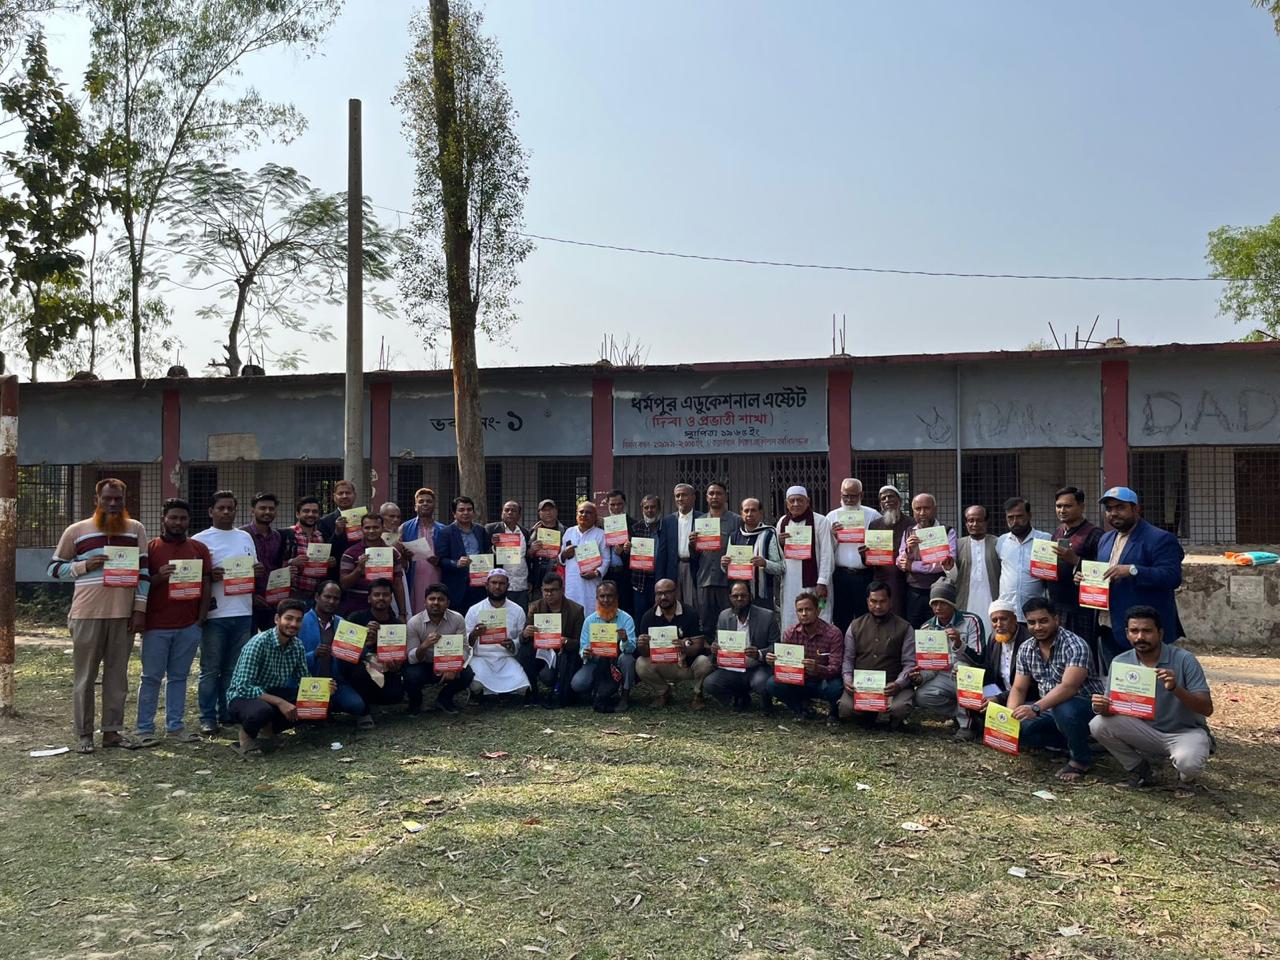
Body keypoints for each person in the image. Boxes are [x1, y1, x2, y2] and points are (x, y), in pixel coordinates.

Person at [49, 478, 151, 753]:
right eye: (107, 498)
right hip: (86, 614)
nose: (113, 504)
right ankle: (84, 734)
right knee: (85, 677)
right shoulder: (76, 531)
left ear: (125, 500)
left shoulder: (135, 529)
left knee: (117, 677)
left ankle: (112, 732)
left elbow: (144, 573)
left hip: (122, 616)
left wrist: (139, 610)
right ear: (97, 500)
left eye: (118, 499)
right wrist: (84, 566)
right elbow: (53, 569)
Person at [1089, 606, 1214, 793]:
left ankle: (1186, 780)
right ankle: (1140, 769)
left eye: (1147, 631)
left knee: (1188, 763)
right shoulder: (1121, 662)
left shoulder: (1184, 660)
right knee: (1098, 724)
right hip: (1145, 731)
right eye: (1134, 631)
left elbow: (1206, 709)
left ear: (1160, 633)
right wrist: (1102, 707)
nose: (1140, 637)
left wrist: (1175, 688)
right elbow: (1113, 709)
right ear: (1127, 633)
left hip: (1185, 732)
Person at [136, 498, 211, 744]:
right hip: (156, 626)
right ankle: (144, 729)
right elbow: (139, 584)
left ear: (189, 521)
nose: (178, 522)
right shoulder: (150, 549)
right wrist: (158, 577)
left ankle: (175, 727)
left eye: (183, 518)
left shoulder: (199, 549)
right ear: (163, 519)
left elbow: (207, 584)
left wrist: (200, 619)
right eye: (173, 518)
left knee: (179, 678)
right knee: (151, 678)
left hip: (189, 626)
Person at [1087, 486, 1185, 671]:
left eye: (1120, 507)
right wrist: (1086, 579)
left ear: (1136, 509)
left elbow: (1172, 577)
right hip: (1108, 625)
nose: (1113, 513)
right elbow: (1104, 574)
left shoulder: (1160, 538)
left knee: (1150, 682)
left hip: (1144, 631)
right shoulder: (1106, 539)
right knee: (1117, 681)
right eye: (1109, 508)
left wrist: (1133, 570)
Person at [1006, 598, 1104, 781]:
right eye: (1032, 622)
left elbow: (1069, 687)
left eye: (1043, 621)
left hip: (1086, 706)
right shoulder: (1026, 648)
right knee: (1019, 729)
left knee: (1064, 709)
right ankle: (1069, 742)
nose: (1037, 627)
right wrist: (1010, 717)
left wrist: (1035, 708)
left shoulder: (1075, 645)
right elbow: (1018, 688)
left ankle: (1080, 760)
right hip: (1048, 708)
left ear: (1056, 619)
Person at [193, 491, 261, 737]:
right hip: (215, 614)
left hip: (243, 611)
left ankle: (227, 712)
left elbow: (253, 566)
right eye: (221, 508)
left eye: (230, 508)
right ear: (211, 511)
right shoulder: (199, 540)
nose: (226, 512)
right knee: (211, 669)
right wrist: (210, 575)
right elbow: (192, 577)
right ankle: (207, 717)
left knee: (233, 668)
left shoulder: (244, 537)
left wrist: (257, 570)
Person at [226, 599, 316, 756]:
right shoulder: (258, 643)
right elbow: (243, 687)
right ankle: (245, 737)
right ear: (277, 619)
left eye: (298, 620)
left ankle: (267, 731)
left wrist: (322, 689)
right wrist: (280, 702)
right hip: (243, 697)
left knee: (312, 703)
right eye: (289, 618)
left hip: (272, 693)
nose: (293, 624)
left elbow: (304, 679)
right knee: (261, 711)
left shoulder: (297, 645)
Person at [911, 581, 985, 741]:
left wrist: (959, 643)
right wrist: (920, 677)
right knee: (921, 695)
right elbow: (931, 667)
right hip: (943, 676)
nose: (938, 607)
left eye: (943, 603)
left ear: (952, 603)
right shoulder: (927, 628)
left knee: (962, 669)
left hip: (970, 676)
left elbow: (979, 659)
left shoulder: (971, 621)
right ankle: (964, 715)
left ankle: (966, 726)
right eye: (934, 603)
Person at [836, 580, 916, 729]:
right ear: (867, 601)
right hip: (862, 687)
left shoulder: (905, 628)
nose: (878, 606)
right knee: (845, 708)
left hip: (891, 686)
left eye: (882, 601)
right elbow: (848, 659)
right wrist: (847, 680)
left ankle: (889, 717)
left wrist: (898, 684)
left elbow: (909, 663)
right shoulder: (855, 626)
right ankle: (868, 714)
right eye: (873, 601)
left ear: (890, 602)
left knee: (900, 708)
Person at [763, 592, 843, 720]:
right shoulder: (790, 633)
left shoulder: (833, 633)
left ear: (818, 611)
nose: (804, 614)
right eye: (800, 610)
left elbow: (836, 668)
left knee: (836, 687)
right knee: (772, 683)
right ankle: (801, 709)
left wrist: (818, 668)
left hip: (822, 681)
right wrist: (775, 663)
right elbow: (785, 667)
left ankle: (834, 713)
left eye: (808, 609)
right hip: (799, 681)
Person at [635, 577, 712, 708]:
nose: (663, 597)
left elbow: (698, 645)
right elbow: (645, 653)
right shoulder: (648, 617)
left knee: (705, 662)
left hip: (687, 664)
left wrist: (684, 647)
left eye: (667, 593)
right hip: (663, 664)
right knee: (641, 663)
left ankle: (698, 694)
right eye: (659, 593)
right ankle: (663, 692)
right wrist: (642, 646)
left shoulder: (690, 613)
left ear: (675, 593)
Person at [704, 580, 780, 712]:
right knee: (710, 683)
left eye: (743, 595)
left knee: (761, 683)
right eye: (735, 596)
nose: (739, 599)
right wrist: (715, 649)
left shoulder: (767, 616)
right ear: (730, 598)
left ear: (750, 596)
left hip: (757, 667)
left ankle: (766, 700)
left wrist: (759, 653)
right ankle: (740, 696)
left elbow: (777, 646)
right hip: (732, 667)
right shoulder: (724, 616)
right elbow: (718, 642)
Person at [298, 580, 368, 723]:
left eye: (336, 598)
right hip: (307, 684)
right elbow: (291, 661)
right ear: (317, 597)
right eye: (327, 597)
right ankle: (323, 708)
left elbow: (356, 655)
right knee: (309, 719)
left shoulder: (342, 623)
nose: (331, 601)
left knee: (357, 706)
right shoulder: (300, 622)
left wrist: (366, 643)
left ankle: (331, 705)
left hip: (336, 683)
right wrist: (313, 655)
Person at [344, 580, 411, 727]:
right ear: (369, 598)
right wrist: (366, 642)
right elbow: (346, 652)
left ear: (391, 598)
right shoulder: (355, 619)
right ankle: (363, 711)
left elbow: (399, 659)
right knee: (360, 672)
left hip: (384, 670)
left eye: (385, 595)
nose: (381, 598)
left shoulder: (397, 625)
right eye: (377, 595)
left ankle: (367, 700)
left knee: (395, 696)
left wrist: (396, 665)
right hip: (359, 668)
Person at [1050, 486, 1103, 661]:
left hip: (1081, 609)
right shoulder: (1058, 532)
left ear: (1081, 507)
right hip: (1057, 604)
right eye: (1058, 506)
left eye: (1067, 506)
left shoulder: (1095, 534)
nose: (1062, 510)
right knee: (1060, 654)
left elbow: (1101, 571)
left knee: (1081, 655)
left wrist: (1075, 560)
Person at [405, 582, 474, 714]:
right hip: (424, 664)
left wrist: (454, 667)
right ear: (425, 602)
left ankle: (444, 699)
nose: (436, 603)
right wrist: (424, 645)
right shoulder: (414, 622)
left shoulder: (457, 619)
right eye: (432, 599)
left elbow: (465, 649)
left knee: (467, 675)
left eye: (441, 599)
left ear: (448, 603)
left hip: (448, 663)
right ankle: (415, 702)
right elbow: (411, 658)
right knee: (411, 675)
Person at [520, 572, 586, 707]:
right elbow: (523, 638)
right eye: (546, 590)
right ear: (542, 590)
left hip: (564, 653)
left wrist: (566, 641)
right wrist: (526, 634)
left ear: (562, 590)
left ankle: (562, 694)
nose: (549, 594)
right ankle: (532, 691)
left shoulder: (576, 610)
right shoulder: (535, 607)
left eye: (553, 590)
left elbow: (581, 642)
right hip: (542, 652)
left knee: (567, 657)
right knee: (525, 650)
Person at [826, 478, 883, 635]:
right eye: (846, 496)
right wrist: (833, 536)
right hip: (840, 576)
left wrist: (870, 545)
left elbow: (881, 545)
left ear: (861, 495)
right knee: (841, 617)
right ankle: (842, 649)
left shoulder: (873, 515)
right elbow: (825, 550)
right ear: (841, 495)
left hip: (865, 575)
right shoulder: (832, 517)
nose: (849, 500)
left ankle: (864, 649)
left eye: (853, 496)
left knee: (866, 618)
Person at [571, 580, 637, 713]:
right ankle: (598, 692)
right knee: (578, 684)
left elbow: (631, 648)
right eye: (602, 596)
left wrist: (625, 639)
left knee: (627, 659)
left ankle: (624, 696)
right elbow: (583, 647)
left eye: (610, 596)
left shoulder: (626, 619)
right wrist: (585, 653)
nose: (606, 600)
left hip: (617, 662)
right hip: (596, 661)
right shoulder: (589, 620)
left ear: (617, 597)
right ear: (597, 598)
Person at [463, 569, 530, 700]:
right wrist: (474, 634)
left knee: (523, 688)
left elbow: (520, 638)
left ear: (508, 586)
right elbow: (465, 641)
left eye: (501, 583)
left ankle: (495, 692)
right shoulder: (474, 610)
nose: (497, 587)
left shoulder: (517, 610)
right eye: (494, 583)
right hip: (481, 658)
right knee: (476, 685)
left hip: (505, 658)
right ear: (487, 585)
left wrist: (512, 644)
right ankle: (486, 692)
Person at [775, 486, 833, 633]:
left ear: (808, 501)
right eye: (792, 500)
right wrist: (780, 543)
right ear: (787, 503)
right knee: (791, 617)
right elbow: (777, 555)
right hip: (790, 582)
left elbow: (827, 553)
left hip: (814, 582)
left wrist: (822, 582)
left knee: (818, 615)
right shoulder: (782, 522)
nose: (796, 504)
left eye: (800, 500)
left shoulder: (820, 521)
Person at [896, 493, 956, 628]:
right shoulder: (908, 531)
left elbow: (945, 563)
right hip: (914, 591)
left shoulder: (947, 531)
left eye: (926, 508)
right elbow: (900, 563)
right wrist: (908, 550)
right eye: (918, 509)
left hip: (939, 593)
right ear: (913, 511)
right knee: (914, 629)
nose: (922, 513)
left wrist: (913, 566)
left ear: (935, 509)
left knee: (938, 629)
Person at [691, 481, 739, 633]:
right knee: (706, 624)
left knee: (729, 622)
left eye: (719, 493)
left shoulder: (736, 520)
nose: (714, 496)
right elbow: (695, 556)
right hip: (705, 579)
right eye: (711, 493)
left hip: (727, 581)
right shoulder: (700, 521)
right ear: (706, 497)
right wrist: (692, 544)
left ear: (725, 497)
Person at [338, 512, 408, 618]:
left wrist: (402, 613)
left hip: (384, 612)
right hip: (355, 610)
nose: (371, 531)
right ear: (362, 529)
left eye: (375, 527)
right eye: (367, 528)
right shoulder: (350, 553)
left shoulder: (393, 553)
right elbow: (344, 584)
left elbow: (397, 584)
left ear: (382, 528)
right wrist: (359, 569)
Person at [948, 505, 1001, 638]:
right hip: (965, 600)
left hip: (991, 598)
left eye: (979, 520)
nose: (975, 524)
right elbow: (953, 578)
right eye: (970, 520)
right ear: (966, 523)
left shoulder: (997, 543)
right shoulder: (958, 544)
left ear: (986, 522)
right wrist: (949, 568)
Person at [242, 493, 291, 633]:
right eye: (262, 508)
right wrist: (250, 596)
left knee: (273, 640)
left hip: (272, 601)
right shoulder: (242, 535)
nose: (267, 512)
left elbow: (278, 565)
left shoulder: (277, 537)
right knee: (248, 642)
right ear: (252, 510)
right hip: (248, 601)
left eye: (271, 508)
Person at [724, 497, 783, 614]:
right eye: (746, 511)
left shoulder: (769, 534)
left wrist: (765, 563)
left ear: (760, 513)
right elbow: (728, 568)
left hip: (762, 594)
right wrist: (724, 564)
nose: (749, 514)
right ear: (741, 513)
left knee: (762, 623)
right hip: (740, 595)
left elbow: (780, 567)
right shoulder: (734, 536)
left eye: (753, 510)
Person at [996, 497, 1051, 621]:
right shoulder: (1001, 541)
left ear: (1029, 515)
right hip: (1008, 612)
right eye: (1010, 517)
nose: (1015, 521)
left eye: (1019, 516)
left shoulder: (1045, 540)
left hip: (1036, 613)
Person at [436, 495, 493, 612]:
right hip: (456, 586)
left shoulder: (481, 530)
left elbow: (488, 552)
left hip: (479, 584)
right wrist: (456, 563)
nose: (466, 513)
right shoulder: (445, 532)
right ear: (454, 513)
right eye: (461, 510)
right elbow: (440, 560)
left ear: (473, 512)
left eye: (469, 509)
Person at [561, 499, 616, 611]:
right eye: (581, 512)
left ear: (595, 516)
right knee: (572, 612)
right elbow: (561, 558)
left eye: (588, 512)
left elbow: (606, 559)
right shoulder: (569, 532)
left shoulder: (601, 534)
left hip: (591, 583)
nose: (584, 515)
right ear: (576, 514)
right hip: (572, 583)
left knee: (591, 610)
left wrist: (596, 573)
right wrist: (565, 554)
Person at [867, 485, 913, 619]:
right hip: (881, 578)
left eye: (891, 496)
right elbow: (871, 560)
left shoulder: (911, 523)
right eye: (883, 498)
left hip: (904, 579)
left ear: (900, 501)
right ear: (881, 504)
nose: (887, 500)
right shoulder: (874, 525)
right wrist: (865, 555)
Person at [657, 483, 703, 610]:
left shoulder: (703, 518)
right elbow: (662, 552)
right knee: (673, 604)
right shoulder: (668, 520)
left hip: (694, 567)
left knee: (692, 604)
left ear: (693, 497)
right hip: (674, 567)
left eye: (684, 495)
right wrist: (659, 578)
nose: (680, 499)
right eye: (677, 496)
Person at [401, 487, 445, 617]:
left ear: (434, 505)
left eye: (429, 501)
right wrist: (405, 556)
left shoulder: (443, 529)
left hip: (436, 576)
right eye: (421, 501)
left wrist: (439, 561)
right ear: (415, 506)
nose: (425, 504)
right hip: (413, 577)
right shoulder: (405, 528)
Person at [982, 599, 1032, 707]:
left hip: (1026, 698)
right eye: (994, 620)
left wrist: (1000, 699)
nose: (999, 624)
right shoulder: (993, 639)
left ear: (1014, 619)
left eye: (1004, 619)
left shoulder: (1028, 640)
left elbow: (1031, 685)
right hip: (1000, 693)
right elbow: (988, 669)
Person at [485, 500, 531, 609]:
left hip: (521, 585)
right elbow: (484, 555)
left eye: (513, 511)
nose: (509, 513)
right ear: (502, 513)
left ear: (519, 515)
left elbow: (527, 558)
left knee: (520, 615)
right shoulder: (490, 529)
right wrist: (494, 547)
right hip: (500, 586)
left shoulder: (525, 533)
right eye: (506, 510)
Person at [287, 496, 332, 604]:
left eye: (315, 512)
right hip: (293, 595)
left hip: (316, 596)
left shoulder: (321, 537)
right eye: (306, 511)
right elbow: (274, 562)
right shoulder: (287, 534)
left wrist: (328, 563)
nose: (311, 514)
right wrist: (291, 562)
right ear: (297, 514)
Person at [602, 490, 637, 615]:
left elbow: (639, 555)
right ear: (607, 504)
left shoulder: (634, 525)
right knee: (606, 609)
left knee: (625, 609)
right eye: (612, 504)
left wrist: (625, 552)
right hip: (606, 574)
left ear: (624, 504)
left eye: (619, 504)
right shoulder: (601, 525)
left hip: (625, 575)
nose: (616, 508)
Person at [629, 494, 663, 617]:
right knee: (641, 615)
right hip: (641, 581)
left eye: (653, 507)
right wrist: (627, 549)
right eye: (646, 507)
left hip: (660, 578)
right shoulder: (636, 528)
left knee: (660, 614)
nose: (650, 510)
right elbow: (629, 555)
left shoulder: (666, 527)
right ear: (642, 509)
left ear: (659, 509)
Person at [527, 498, 566, 595]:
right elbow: (523, 557)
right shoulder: (531, 533)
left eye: (551, 509)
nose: (548, 512)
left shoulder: (566, 532)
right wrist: (531, 550)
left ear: (556, 511)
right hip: (537, 578)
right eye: (544, 510)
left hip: (558, 576)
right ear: (539, 513)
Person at [318, 479, 361, 546]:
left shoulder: (363, 518)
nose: (344, 496)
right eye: (340, 493)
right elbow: (325, 549)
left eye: (348, 493)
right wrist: (337, 532)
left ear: (355, 495)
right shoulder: (324, 522)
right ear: (334, 497)